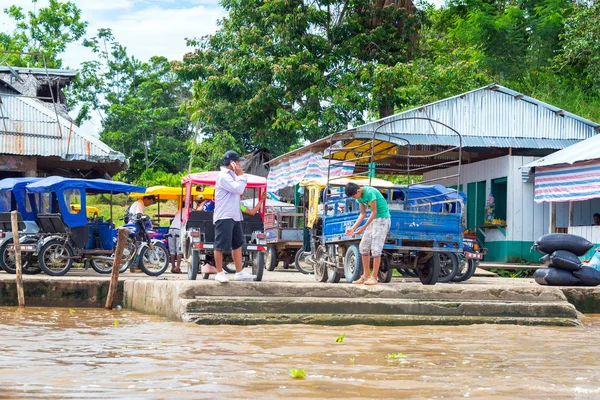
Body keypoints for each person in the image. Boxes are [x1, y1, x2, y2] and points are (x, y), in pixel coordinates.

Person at [213, 150, 256, 283]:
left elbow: (238, 189)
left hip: (235, 215)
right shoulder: (224, 176)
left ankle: (239, 272)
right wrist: (242, 176)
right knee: (220, 245)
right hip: (224, 215)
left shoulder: (233, 175)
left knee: (237, 244)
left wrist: (239, 176)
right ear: (232, 162)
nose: (239, 164)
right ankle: (219, 272)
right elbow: (238, 189)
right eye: (237, 161)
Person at [344, 182, 391, 285]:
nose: (354, 198)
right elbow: (362, 214)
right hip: (374, 220)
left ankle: (374, 277)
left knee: (376, 249)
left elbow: (374, 212)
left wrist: (363, 227)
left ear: (358, 191)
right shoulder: (359, 197)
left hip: (382, 219)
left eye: (354, 196)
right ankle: (366, 275)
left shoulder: (370, 192)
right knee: (364, 246)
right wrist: (353, 228)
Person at [168, 202, 184, 274]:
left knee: (172, 250)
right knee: (179, 249)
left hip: (171, 229)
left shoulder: (179, 210)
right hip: (178, 230)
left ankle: (172, 267)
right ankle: (177, 267)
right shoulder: (190, 210)